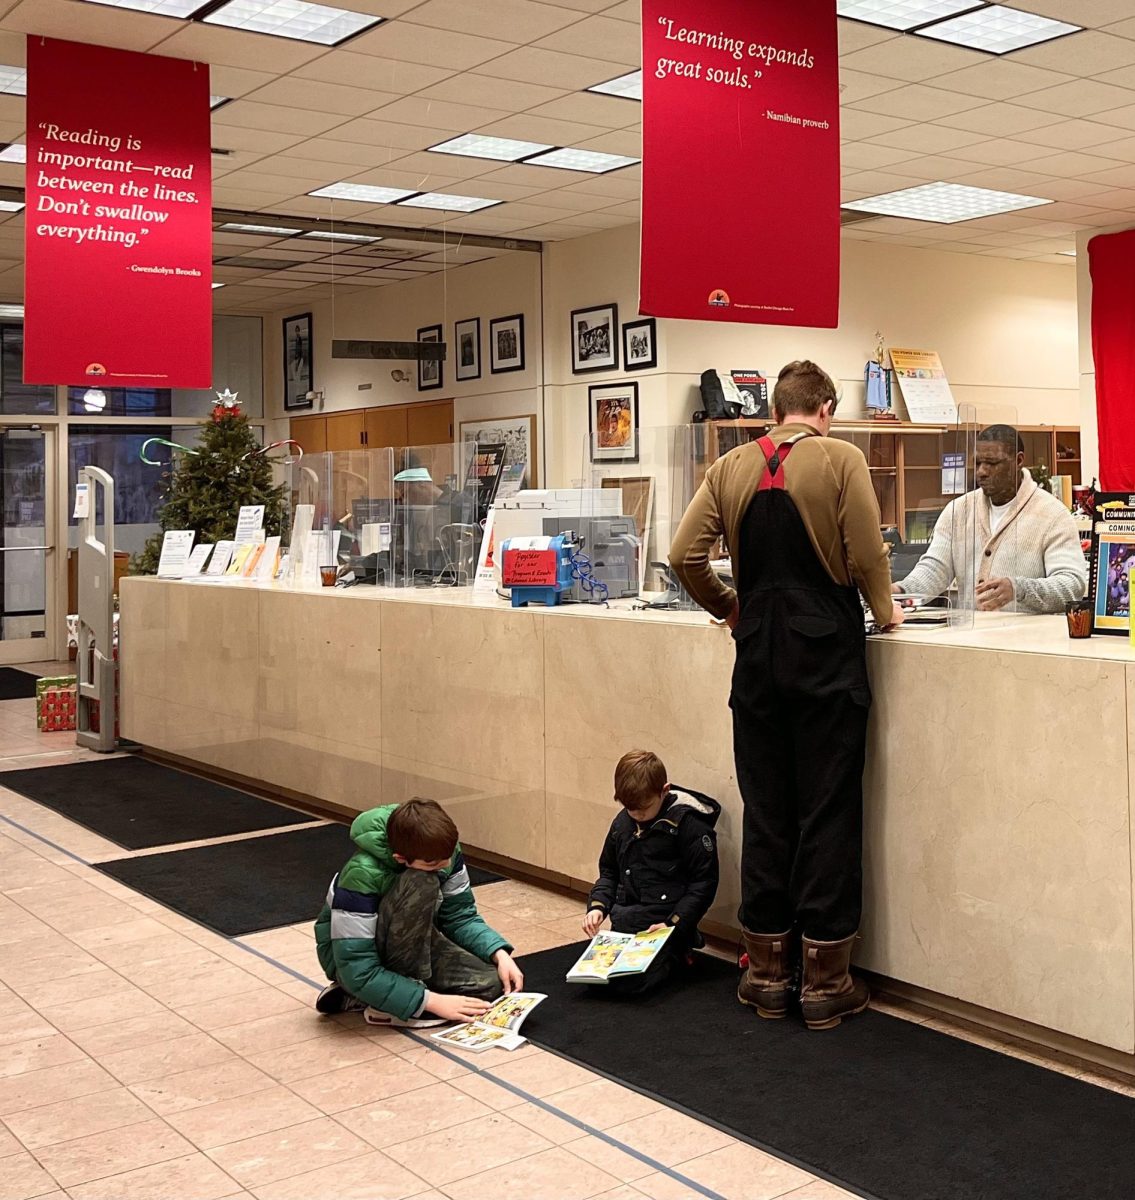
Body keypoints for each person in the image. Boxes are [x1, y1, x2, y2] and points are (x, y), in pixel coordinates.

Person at [670, 360, 903, 1031]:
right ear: (824, 407)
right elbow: (864, 555)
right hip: (824, 655)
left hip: (758, 661)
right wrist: (885, 612)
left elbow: (685, 553)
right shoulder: (840, 459)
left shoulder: (730, 465)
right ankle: (825, 984)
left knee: (768, 808)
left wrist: (729, 605)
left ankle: (767, 973)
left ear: (776, 409)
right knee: (826, 811)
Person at [314, 799, 523, 1027]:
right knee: (421, 882)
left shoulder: (443, 852)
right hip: (352, 962)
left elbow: (459, 915)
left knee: (492, 984)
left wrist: (499, 954)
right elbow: (357, 967)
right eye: (433, 863)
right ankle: (392, 1002)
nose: (444, 866)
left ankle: (368, 996)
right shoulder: (360, 874)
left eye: (448, 859)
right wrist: (432, 1001)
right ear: (401, 859)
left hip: (416, 943)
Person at [895, 425, 1087, 613]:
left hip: (1026, 641)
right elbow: (935, 569)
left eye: (992, 463)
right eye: (978, 463)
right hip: (969, 639)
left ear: (1019, 460)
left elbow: (1072, 585)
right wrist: (901, 592)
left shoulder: (1053, 515)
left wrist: (1019, 589)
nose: (981, 472)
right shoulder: (958, 511)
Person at [583, 750, 720, 995]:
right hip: (626, 921)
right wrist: (598, 905)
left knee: (632, 984)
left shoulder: (689, 825)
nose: (636, 816)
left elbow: (703, 883)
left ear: (664, 790)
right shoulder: (623, 822)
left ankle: (679, 953)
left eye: (643, 810)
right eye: (629, 809)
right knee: (595, 981)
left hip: (664, 924)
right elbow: (609, 871)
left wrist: (672, 924)